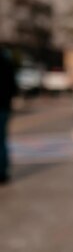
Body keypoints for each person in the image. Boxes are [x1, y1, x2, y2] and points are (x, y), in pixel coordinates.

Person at [0, 49, 17, 184]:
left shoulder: (5, 61)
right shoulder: (6, 61)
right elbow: (13, 86)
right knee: (2, 140)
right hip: (4, 105)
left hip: (3, 106)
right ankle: (3, 172)